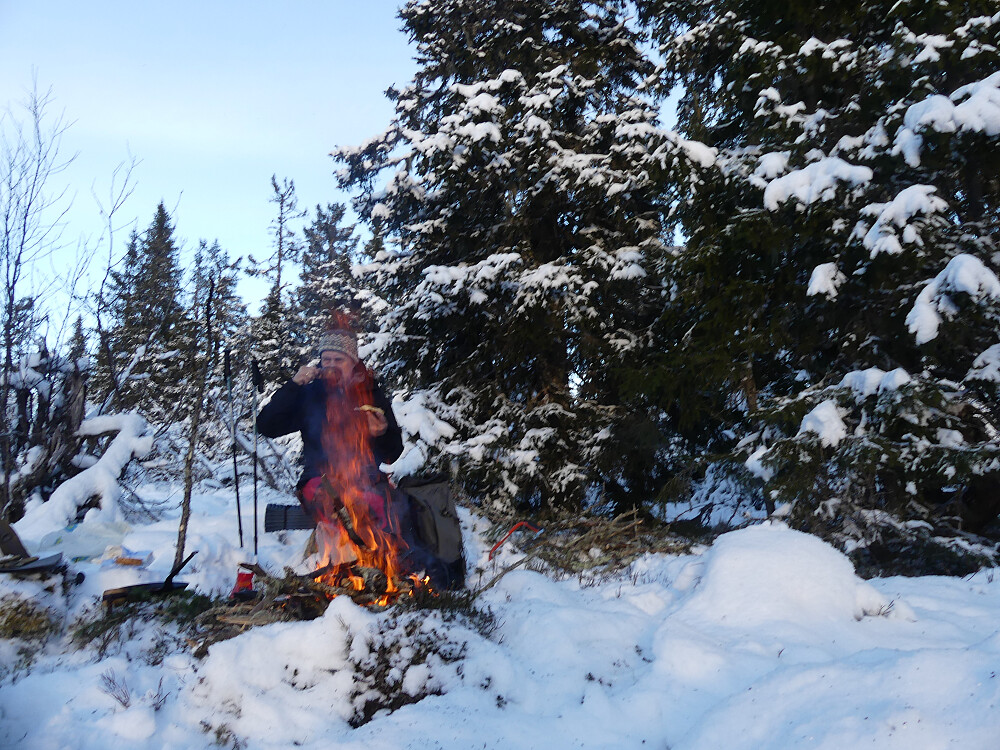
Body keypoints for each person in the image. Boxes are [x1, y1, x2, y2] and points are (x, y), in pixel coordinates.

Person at [256, 330, 404, 560]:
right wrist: (293, 385)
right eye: (327, 360)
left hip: (366, 479)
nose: (331, 365)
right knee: (340, 506)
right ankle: (342, 569)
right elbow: (266, 425)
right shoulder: (310, 395)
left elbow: (393, 453)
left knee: (378, 507)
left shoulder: (371, 394)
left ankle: (380, 570)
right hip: (320, 478)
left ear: (353, 363)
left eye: (339, 360)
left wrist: (382, 433)